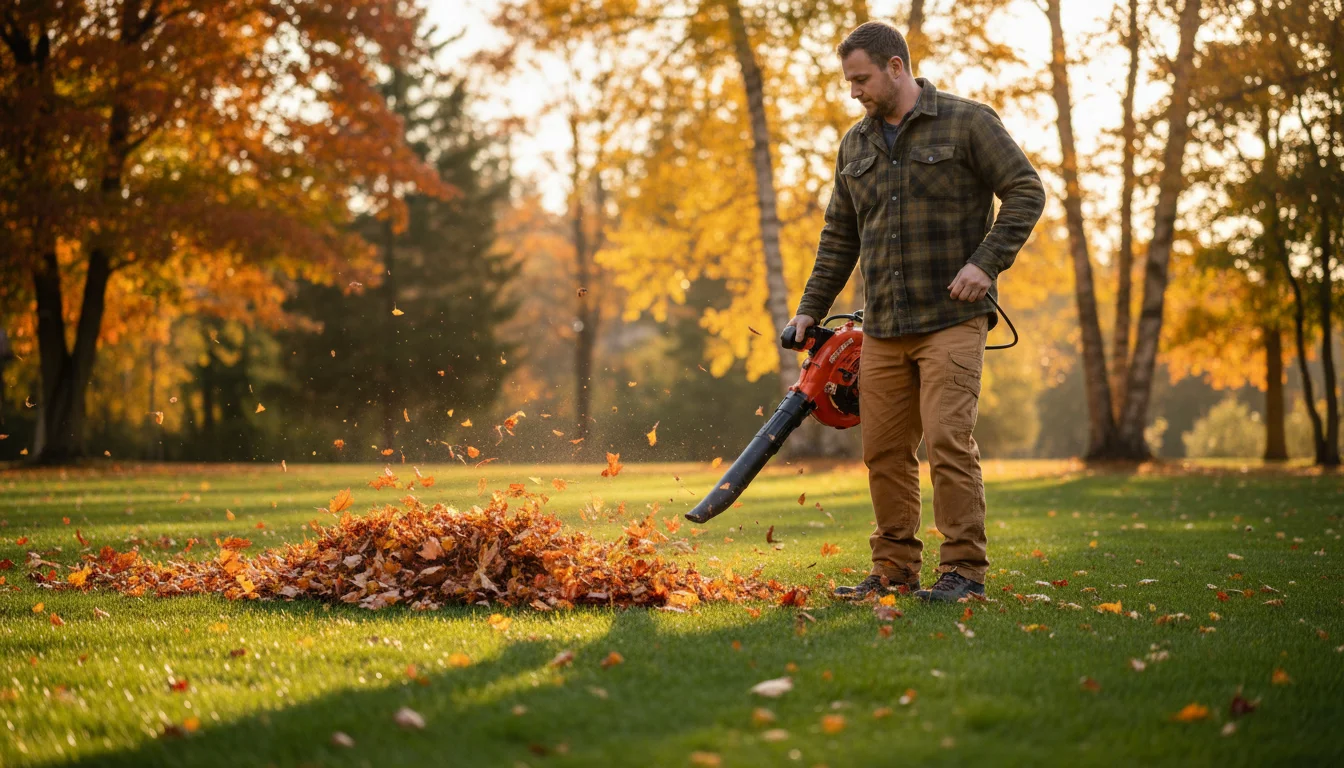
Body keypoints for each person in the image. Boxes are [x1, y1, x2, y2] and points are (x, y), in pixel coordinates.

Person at [787, 21, 1045, 603]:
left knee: (950, 441)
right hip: (882, 328)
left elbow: (1026, 190)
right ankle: (894, 571)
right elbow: (838, 237)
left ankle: (964, 574)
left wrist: (987, 262)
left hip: (951, 318)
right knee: (882, 451)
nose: (854, 91)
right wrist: (809, 311)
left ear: (896, 66)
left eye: (862, 79)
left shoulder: (968, 121)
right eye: (849, 81)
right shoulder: (855, 144)